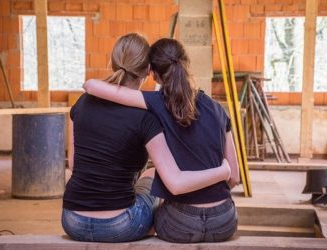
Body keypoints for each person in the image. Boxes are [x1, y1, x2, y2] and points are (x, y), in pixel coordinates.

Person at [62, 33, 231, 243]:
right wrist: (223, 171)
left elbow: (73, 164)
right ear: (147, 71)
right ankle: (148, 226)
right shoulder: (148, 115)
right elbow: (175, 181)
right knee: (153, 175)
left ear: (113, 62)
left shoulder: (80, 104)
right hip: (121, 226)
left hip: (71, 219)